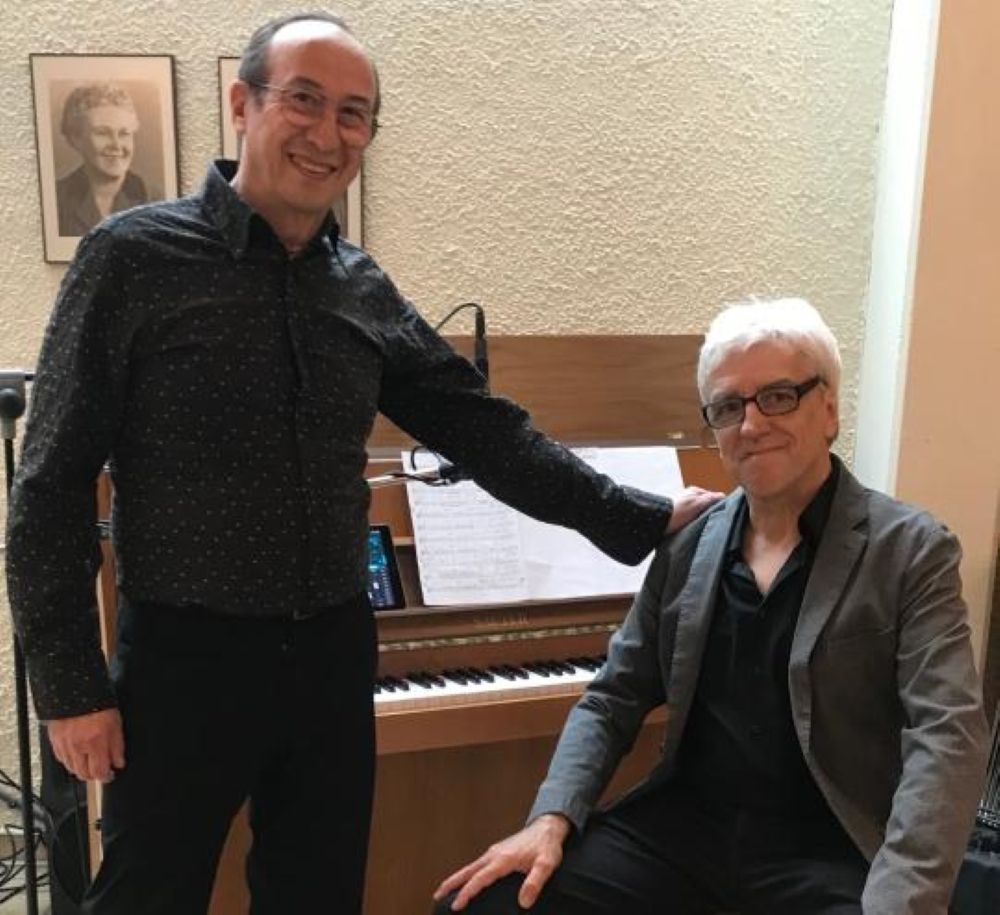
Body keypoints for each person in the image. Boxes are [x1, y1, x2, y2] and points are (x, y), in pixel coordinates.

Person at [5, 12, 720, 915]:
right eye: (303, 100)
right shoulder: (132, 258)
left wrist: (644, 516)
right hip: (185, 659)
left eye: (353, 114)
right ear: (242, 104)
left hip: (332, 654)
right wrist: (70, 686)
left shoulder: (362, 287)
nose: (328, 132)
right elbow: (48, 485)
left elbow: (486, 431)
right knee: (145, 898)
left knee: (319, 896)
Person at [434, 298, 990, 915]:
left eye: (778, 396)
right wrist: (551, 818)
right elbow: (613, 697)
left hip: (830, 847)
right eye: (728, 407)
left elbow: (948, 735)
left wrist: (902, 901)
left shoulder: (910, 549)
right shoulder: (689, 543)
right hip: (684, 835)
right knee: (482, 905)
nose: (751, 425)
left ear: (829, 409)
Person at [55, 83, 154, 236]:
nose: (116, 145)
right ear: (75, 138)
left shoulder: (156, 199)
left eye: (124, 134)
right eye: (102, 133)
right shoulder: (56, 199)